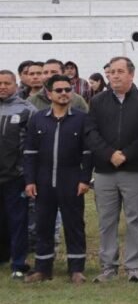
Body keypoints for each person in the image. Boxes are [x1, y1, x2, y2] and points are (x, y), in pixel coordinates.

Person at [88, 57, 138, 283]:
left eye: (119, 71)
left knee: (135, 219)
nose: (114, 76)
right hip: (105, 170)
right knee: (107, 220)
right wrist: (109, 154)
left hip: (133, 169)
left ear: (131, 74)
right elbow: (91, 132)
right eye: (111, 72)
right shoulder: (97, 101)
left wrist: (125, 154)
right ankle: (108, 267)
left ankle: (134, 267)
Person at [23, 75, 93, 283]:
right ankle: (42, 269)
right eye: (59, 90)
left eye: (67, 89)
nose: (64, 93)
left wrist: (84, 179)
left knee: (74, 225)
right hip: (43, 179)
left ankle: (76, 269)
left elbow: (88, 153)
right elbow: (29, 152)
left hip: (71, 178)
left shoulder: (81, 119)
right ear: (49, 93)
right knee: (43, 224)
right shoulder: (38, 118)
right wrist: (30, 180)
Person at [0, 70, 36, 279]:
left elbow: (32, 145)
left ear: (16, 85)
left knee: (18, 221)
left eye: (7, 83)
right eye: (0, 83)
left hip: (15, 176)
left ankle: (19, 262)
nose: (3, 87)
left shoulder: (26, 109)